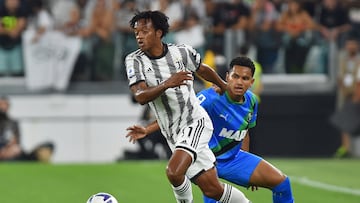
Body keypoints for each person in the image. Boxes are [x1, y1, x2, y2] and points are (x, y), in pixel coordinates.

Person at [127, 56, 295, 203]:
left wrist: (247, 170)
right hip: (208, 162)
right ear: (227, 77)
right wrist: (148, 130)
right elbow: (180, 115)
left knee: (282, 183)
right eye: (235, 76)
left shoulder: (251, 101)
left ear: (251, 82)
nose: (239, 82)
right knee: (215, 196)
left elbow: (245, 131)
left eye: (245, 78)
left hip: (234, 159)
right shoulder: (210, 98)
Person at [125, 10, 250, 203]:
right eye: (136, 33)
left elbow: (202, 69)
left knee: (174, 172)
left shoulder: (181, 52)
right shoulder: (134, 60)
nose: (139, 36)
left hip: (195, 123)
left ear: (159, 32)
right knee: (213, 190)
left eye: (144, 31)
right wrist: (167, 83)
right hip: (172, 133)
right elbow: (140, 96)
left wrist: (224, 87)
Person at [331, 34, 360, 158]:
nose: (350, 47)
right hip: (345, 93)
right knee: (344, 120)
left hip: (356, 93)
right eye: (348, 44)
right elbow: (339, 76)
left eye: (352, 44)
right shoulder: (342, 58)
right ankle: (346, 148)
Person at [0, 96, 55, 162]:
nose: (3, 107)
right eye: (1, 104)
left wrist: (9, 147)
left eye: (5, 104)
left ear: (8, 106)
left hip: (10, 151)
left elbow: (16, 141)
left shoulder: (13, 123)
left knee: (48, 145)